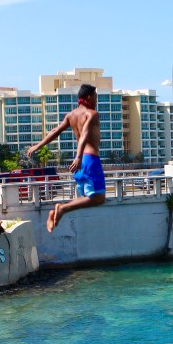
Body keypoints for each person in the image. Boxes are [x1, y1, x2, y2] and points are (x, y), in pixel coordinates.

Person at [27, 84, 106, 233]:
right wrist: (79, 156)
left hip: (81, 161)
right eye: (95, 96)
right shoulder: (92, 114)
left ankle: (61, 209)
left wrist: (38, 145)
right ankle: (62, 208)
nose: (96, 100)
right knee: (99, 198)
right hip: (89, 159)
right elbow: (85, 134)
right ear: (89, 97)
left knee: (87, 197)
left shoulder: (71, 115)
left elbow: (55, 131)